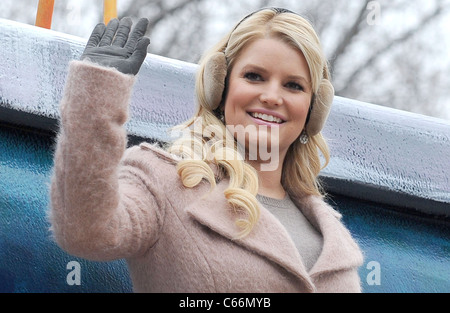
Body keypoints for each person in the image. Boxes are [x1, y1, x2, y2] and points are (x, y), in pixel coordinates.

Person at [49, 7, 363, 293]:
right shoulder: (166, 182)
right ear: (220, 87)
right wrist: (95, 100)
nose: (271, 96)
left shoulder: (330, 233)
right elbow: (86, 231)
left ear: (314, 109)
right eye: (254, 76)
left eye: (293, 85)